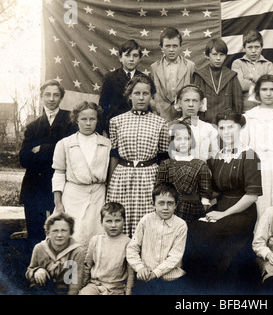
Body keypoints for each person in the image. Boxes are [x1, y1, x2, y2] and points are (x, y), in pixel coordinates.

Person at [183, 110, 262, 294]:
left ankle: (218, 287)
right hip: (221, 207)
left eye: (231, 127)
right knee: (193, 228)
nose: (226, 132)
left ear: (240, 127)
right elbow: (216, 190)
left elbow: (252, 195)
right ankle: (200, 287)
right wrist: (204, 206)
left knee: (208, 235)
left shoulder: (250, 155)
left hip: (242, 211)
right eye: (222, 128)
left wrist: (223, 214)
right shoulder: (217, 156)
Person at [106, 74, 170, 237]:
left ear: (151, 96)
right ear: (129, 95)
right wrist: (110, 182)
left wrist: (161, 185)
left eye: (145, 94)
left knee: (147, 222)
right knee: (120, 219)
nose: (141, 98)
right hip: (122, 177)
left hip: (149, 177)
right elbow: (114, 155)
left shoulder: (160, 123)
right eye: (137, 93)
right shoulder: (116, 121)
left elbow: (163, 158)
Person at [19, 80, 76, 246]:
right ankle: (37, 269)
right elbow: (23, 159)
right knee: (35, 235)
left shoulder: (70, 121)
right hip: (34, 186)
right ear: (41, 96)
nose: (51, 99)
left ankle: (60, 270)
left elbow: (69, 152)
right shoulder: (32, 126)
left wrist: (41, 148)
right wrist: (55, 147)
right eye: (47, 95)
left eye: (56, 95)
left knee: (62, 233)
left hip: (60, 185)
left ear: (61, 97)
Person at [52, 101, 111, 248]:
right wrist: (58, 204)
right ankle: (70, 271)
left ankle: (93, 271)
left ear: (97, 120)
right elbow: (59, 173)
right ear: (76, 120)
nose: (88, 123)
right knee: (73, 236)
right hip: (73, 197)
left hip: (98, 195)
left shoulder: (107, 144)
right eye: (84, 119)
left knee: (96, 237)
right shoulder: (64, 144)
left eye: (92, 119)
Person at [242, 75, 273, 223]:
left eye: (272, 89)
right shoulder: (249, 116)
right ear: (257, 92)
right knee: (259, 202)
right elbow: (245, 147)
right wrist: (248, 172)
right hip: (257, 164)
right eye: (264, 89)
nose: (268, 93)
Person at [126, 182, 188, 295]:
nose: (165, 208)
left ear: (176, 205)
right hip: (145, 276)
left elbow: (175, 256)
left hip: (172, 279)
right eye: (161, 203)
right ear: (153, 204)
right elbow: (132, 249)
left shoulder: (181, 225)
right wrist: (140, 268)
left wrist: (155, 273)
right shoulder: (145, 220)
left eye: (170, 203)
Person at [156, 122, 213, 223]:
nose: (183, 142)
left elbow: (205, 193)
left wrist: (204, 207)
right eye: (178, 139)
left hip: (194, 209)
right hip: (171, 208)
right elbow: (159, 189)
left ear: (192, 141)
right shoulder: (166, 164)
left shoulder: (200, 164)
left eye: (186, 139)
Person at [79, 202, 134, 295]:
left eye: (117, 221)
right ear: (101, 222)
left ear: (124, 221)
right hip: (95, 285)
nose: (113, 225)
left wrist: (128, 291)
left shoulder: (128, 243)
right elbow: (87, 265)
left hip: (117, 288)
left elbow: (130, 272)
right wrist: (81, 286)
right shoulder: (95, 240)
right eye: (108, 221)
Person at [25, 212, 85, 295]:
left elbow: (75, 284)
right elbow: (29, 272)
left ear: (70, 232)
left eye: (64, 230)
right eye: (55, 231)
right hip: (42, 290)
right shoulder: (39, 248)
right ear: (48, 233)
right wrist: (37, 270)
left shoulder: (78, 251)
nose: (59, 235)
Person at [150, 27, 196, 122]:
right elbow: (151, 94)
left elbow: (195, 94)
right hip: (161, 117)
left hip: (184, 117)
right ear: (161, 47)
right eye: (167, 46)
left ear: (180, 46)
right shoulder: (154, 68)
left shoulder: (190, 66)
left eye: (175, 46)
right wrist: (155, 111)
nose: (171, 50)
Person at [193, 37, 243, 124]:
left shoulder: (231, 76)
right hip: (204, 124)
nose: (218, 58)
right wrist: (194, 126)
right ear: (207, 56)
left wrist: (235, 124)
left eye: (222, 55)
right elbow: (194, 103)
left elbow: (238, 105)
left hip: (226, 124)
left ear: (226, 56)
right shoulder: (199, 76)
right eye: (215, 54)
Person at [99, 39, 143, 136]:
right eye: (127, 55)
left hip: (138, 128)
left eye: (135, 55)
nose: (131, 59)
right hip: (115, 128)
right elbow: (103, 106)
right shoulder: (110, 78)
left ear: (140, 58)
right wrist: (104, 130)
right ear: (120, 58)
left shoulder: (144, 79)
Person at [169, 84, 219, 160]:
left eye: (195, 101)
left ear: (201, 103)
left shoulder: (209, 129)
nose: (191, 105)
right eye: (186, 100)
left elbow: (215, 158)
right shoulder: (170, 127)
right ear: (179, 102)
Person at [231, 30, 273, 112]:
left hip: (265, 110)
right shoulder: (238, 63)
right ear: (244, 48)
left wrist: (253, 77)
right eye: (250, 47)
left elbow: (272, 85)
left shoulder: (268, 64)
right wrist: (263, 83)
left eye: (257, 47)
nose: (253, 51)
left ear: (262, 47)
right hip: (244, 110)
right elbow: (240, 85)